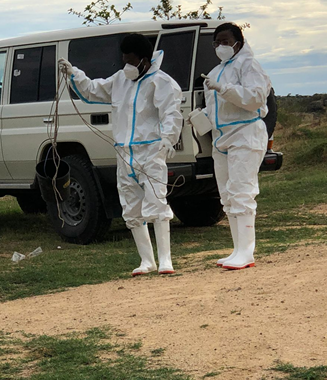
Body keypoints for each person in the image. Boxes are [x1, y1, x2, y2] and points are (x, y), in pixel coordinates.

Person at [58, 34, 183, 276]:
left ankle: (165, 259)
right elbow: (94, 90)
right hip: (125, 153)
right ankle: (147, 260)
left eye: (131, 60)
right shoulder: (120, 80)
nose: (126, 65)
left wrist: (168, 140)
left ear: (144, 59)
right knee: (131, 206)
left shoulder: (162, 82)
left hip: (151, 150)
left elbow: (171, 114)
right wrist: (74, 74)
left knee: (156, 201)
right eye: (124, 59)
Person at [193, 22, 271, 270]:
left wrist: (225, 89)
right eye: (217, 42)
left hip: (245, 132)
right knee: (227, 196)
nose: (221, 46)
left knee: (242, 192)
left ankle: (247, 252)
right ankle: (237, 249)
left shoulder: (249, 66)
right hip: (222, 137)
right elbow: (218, 108)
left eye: (226, 41)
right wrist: (201, 116)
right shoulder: (215, 72)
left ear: (239, 42)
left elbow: (255, 98)